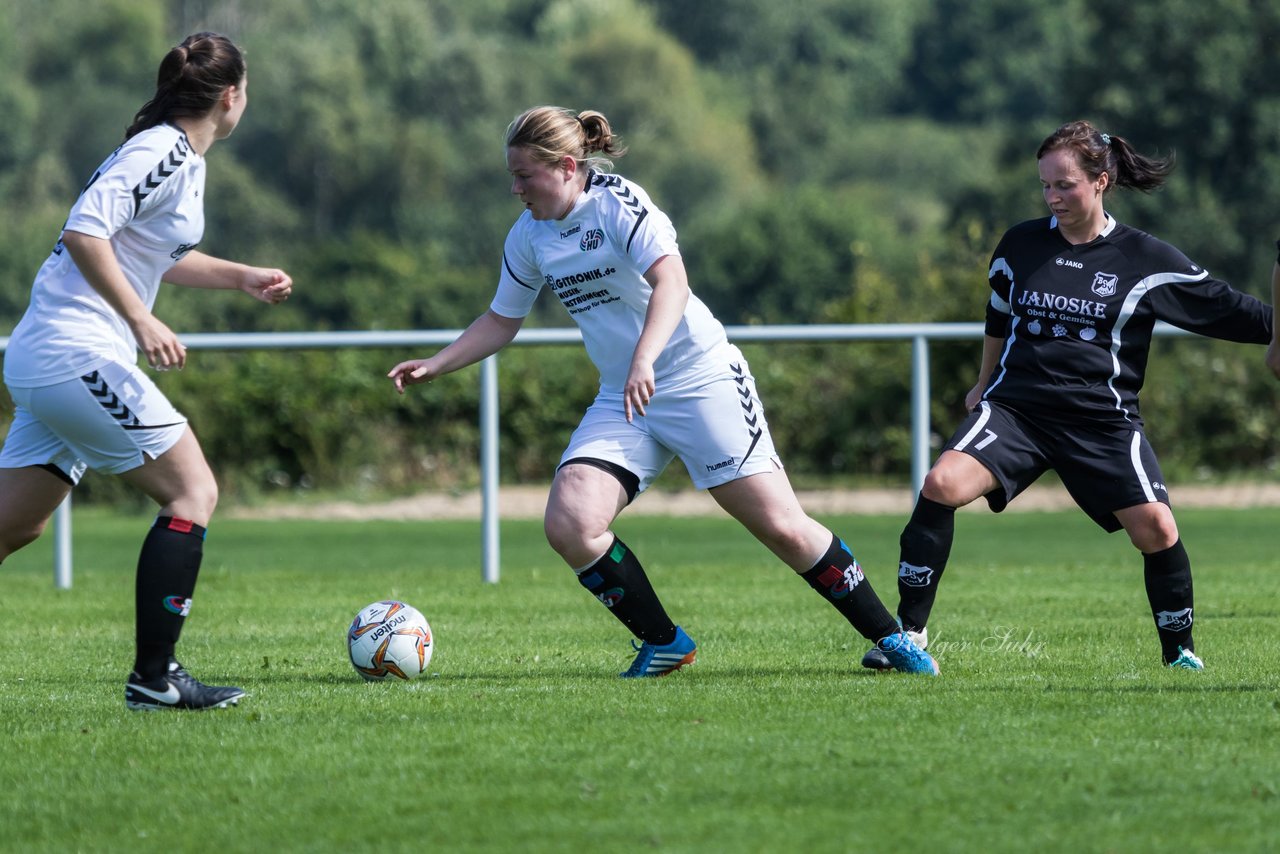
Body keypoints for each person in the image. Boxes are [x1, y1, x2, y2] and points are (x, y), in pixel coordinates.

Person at [389, 105, 938, 677]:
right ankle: (666, 642)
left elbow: (671, 281)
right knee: (571, 523)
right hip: (624, 396)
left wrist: (645, 358)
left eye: (525, 175)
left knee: (782, 528)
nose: (515, 188)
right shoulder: (529, 236)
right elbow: (502, 319)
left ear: (567, 166)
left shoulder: (617, 201)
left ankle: (894, 640)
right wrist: (438, 363)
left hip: (700, 379)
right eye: (512, 175)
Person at [860, 120, 1273, 672]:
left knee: (1158, 530)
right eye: (1045, 186)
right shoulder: (1021, 244)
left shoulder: (1144, 260)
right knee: (941, 484)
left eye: (1066, 185)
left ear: (1101, 182)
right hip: (1018, 410)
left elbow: (1230, 308)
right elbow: (998, 316)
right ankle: (908, 635)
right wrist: (984, 381)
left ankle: (1180, 657)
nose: (1053, 197)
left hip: (1102, 421)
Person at [0, 33, 293, 710]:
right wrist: (140, 319)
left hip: (52, 357)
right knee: (193, 491)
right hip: (77, 352)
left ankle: (154, 678)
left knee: (15, 526)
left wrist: (242, 277)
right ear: (231, 97)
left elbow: (156, 252)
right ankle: (154, 678)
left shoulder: (182, 158)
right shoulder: (160, 149)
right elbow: (84, 230)